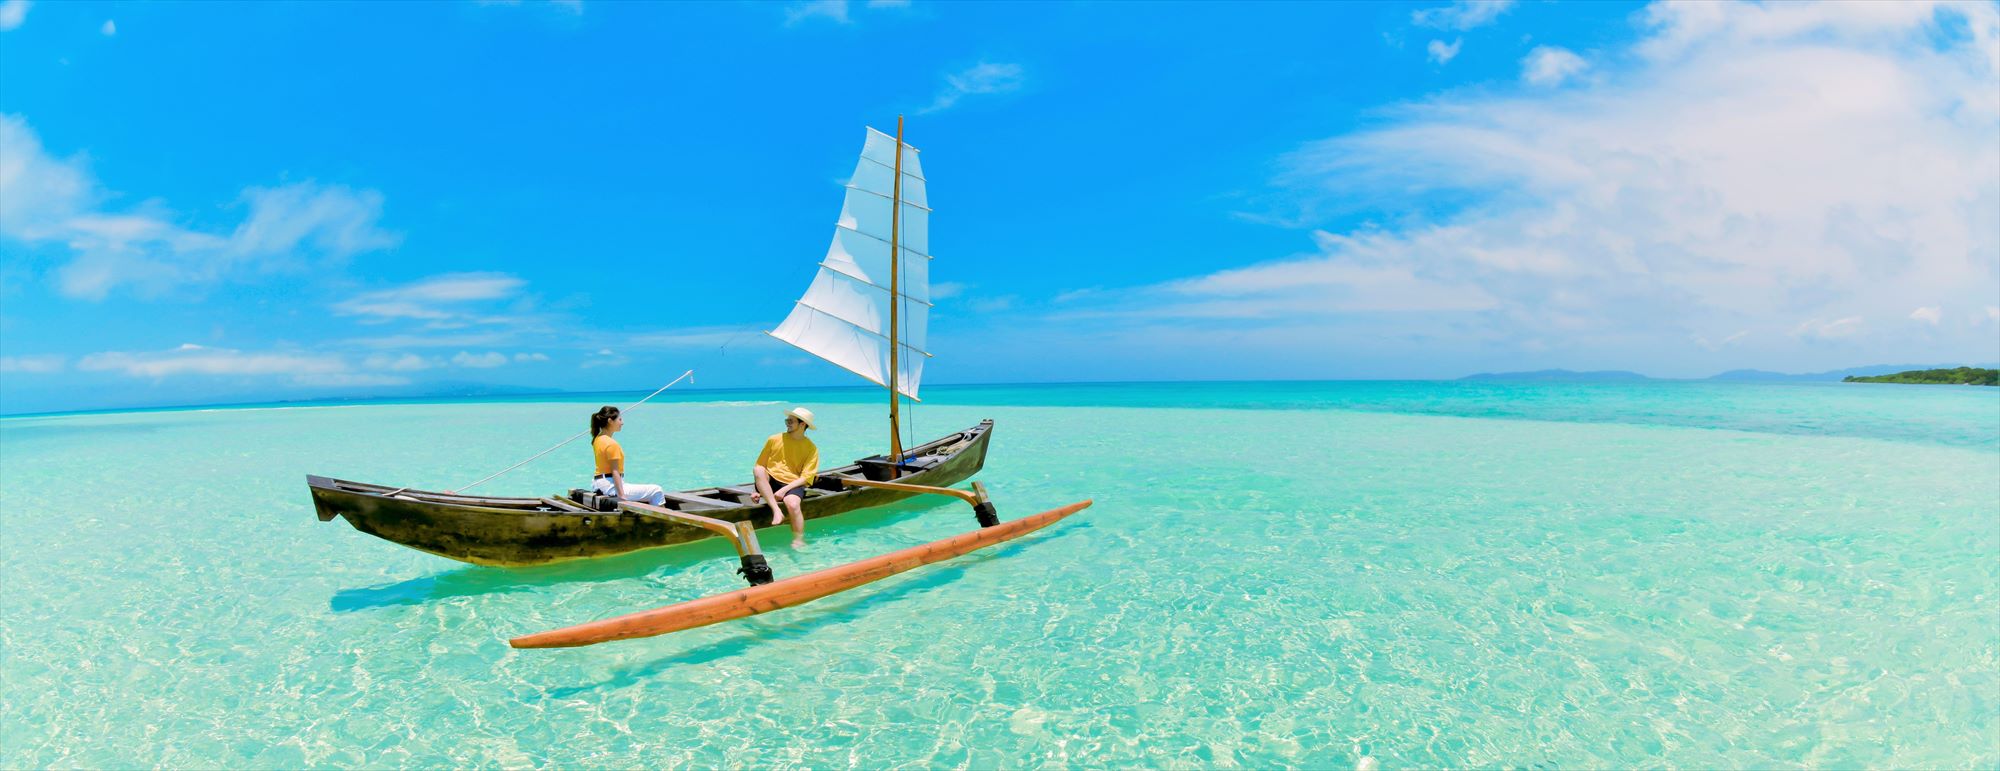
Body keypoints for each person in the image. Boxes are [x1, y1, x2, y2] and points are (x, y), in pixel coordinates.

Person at [754, 407, 819, 548]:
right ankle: (776, 511)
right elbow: (760, 465)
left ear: (802, 425)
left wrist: (784, 490)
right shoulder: (774, 439)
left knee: (793, 504)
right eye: (787, 420)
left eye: (791, 421)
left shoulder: (811, 448)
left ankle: (798, 539)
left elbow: (807, 477)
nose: (787, 423)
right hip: (771, 479)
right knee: (758, 470)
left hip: (792, 483)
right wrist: (759, 488)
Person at [588, 406, 667, 507]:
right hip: (610, 486)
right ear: (610, 421)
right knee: (657, 490)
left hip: (599, 484)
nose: (622, 423)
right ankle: (660, 520)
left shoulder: (597, 439)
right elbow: (615, 472)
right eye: (619, 419)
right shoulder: (611, 444)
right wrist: (622, 495)